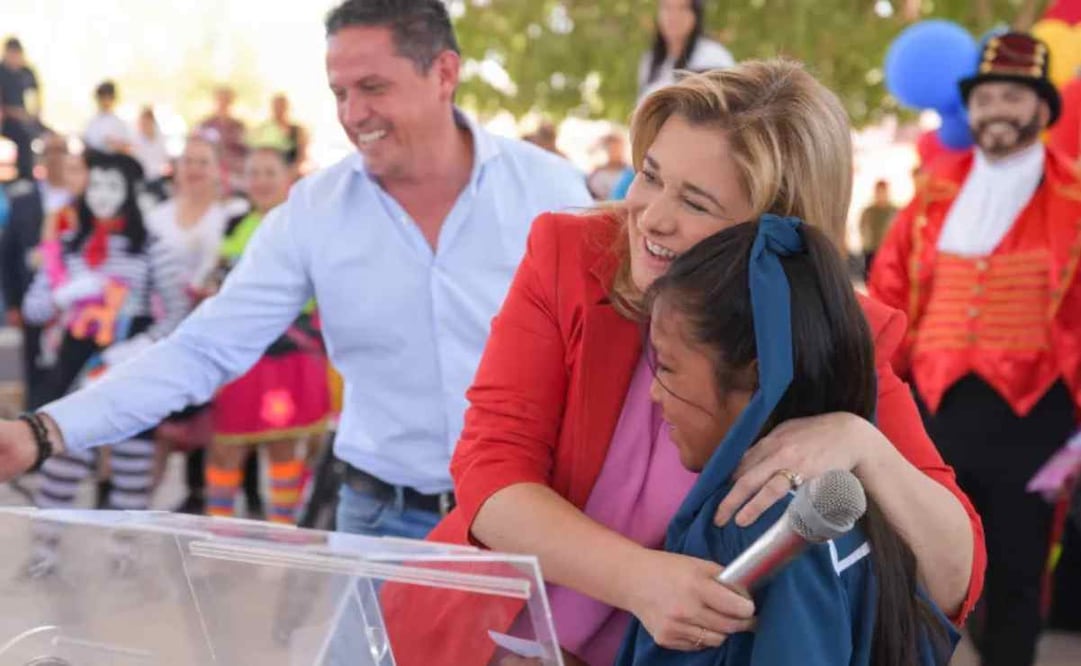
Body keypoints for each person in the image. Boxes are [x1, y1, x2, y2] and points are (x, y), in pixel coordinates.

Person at [380, 61, 984, 666]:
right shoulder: (568, 255)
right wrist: (639, 579)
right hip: (486, 638)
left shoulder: (839, 330)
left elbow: (953, 576)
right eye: (650, 176)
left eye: (695, 202)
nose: (651, 216)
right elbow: (490, 474)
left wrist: (862, 444)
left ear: (774, 233)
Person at [0, 0, 591, 540]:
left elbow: (610, 352)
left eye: (373, 87)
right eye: (339, 93)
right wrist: (44, 432)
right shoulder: (313, 212)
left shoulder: (549, 189)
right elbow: (202, 350)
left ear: (444, 73)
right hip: (381, 522)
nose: (353, 115)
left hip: (534, 516)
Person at [617, 217, 958, 665]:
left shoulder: (768, 526)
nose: (654, 393)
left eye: (667, 367)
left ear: (758, 378)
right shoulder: (846, 503)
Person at [869, 32, 1081, 666]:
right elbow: (889, 293)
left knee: (1017, 574)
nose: (996, 110)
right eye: (986, 98)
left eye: (1012, 96)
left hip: (1034, 417)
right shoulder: (932, 196)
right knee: (924, 567)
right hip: (933, 416)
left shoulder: (1076, 200)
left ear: (1041, 108)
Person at [21, 151, 188, 574]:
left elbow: (177, 313)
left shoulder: (152, 247)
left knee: (133, 459)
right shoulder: (65, 247)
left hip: (130, 363)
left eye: (112, 185)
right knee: (64, 452)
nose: (102, 194)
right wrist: (64, 294)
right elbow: (34, 309)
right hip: (76, 363)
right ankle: (45, 548)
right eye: (95, 184)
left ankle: (124, 550)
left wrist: (142, 345)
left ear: (129, 191)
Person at [204, 147, 330, 524]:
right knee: (225, 448)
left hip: (288, 354)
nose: (260, 181)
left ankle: (283, 536)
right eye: (254, 173)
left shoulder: (306, 225)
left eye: (269, 172)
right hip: (239, 353)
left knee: (284, 446)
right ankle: (217, 533)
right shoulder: (234, 226)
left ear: (288, 177)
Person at [0, 133, 74, 410]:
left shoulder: (80, 199)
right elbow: (7, 256)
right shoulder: (24, 201)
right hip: (33, 300)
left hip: (72, 306)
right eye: (49, 152)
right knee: (35, 372)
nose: (55, 158)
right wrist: (14, 303)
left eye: (61, 151)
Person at [638, 0, 735, 100]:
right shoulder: (650, 61)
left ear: (695, 13)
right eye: (667, 8)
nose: (673, 16)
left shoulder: (713, 56)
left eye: (682, 8)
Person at [0, 38, 42, 180]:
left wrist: (33, 114)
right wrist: (14, 113)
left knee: (52, 138)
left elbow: (35, 97)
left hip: (27, 119)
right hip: (7, 121)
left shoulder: (27, 73)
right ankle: (24, 177)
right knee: (23, 137)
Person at [197, 86, 248, 191]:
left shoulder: (239, 126)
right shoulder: (206, 124)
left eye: (226, 100)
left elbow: (245, 150)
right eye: (220, 100)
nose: (223, 103)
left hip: (235, 172)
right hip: (211, 170)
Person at [248, 93, 308, 171]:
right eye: (276, 106)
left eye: (282, 106)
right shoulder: (263, 129)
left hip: (292, 171)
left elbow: (302, 156)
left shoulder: (298, 130)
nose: (279, 109)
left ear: (287, 108)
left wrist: (291, 173)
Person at [131, 106, 171, 202]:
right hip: (141, 179)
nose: (145, 125)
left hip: (158, 178)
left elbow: (165, 157)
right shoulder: (135, 138)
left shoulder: (160, 137)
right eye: (143, 122)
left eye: (147, 121)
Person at [858, 179, 897, 276]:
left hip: (889, 252)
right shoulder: (868, 212)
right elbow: (862, 228)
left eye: (883, 191)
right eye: (878, 191)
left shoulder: (894, 212)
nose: (881, 195)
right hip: (870, 250)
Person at [82, 80, 133, 154]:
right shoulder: (91, 123)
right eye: (102, 98)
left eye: (108, 97)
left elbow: (127, 148)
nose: (105, 101)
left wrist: (115, 145)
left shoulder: (120, 124)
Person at [587, 131, 630, 200]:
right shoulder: (596, 174)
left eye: (617, 148)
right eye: (611, 148)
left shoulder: (630, 172)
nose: (615, 152)